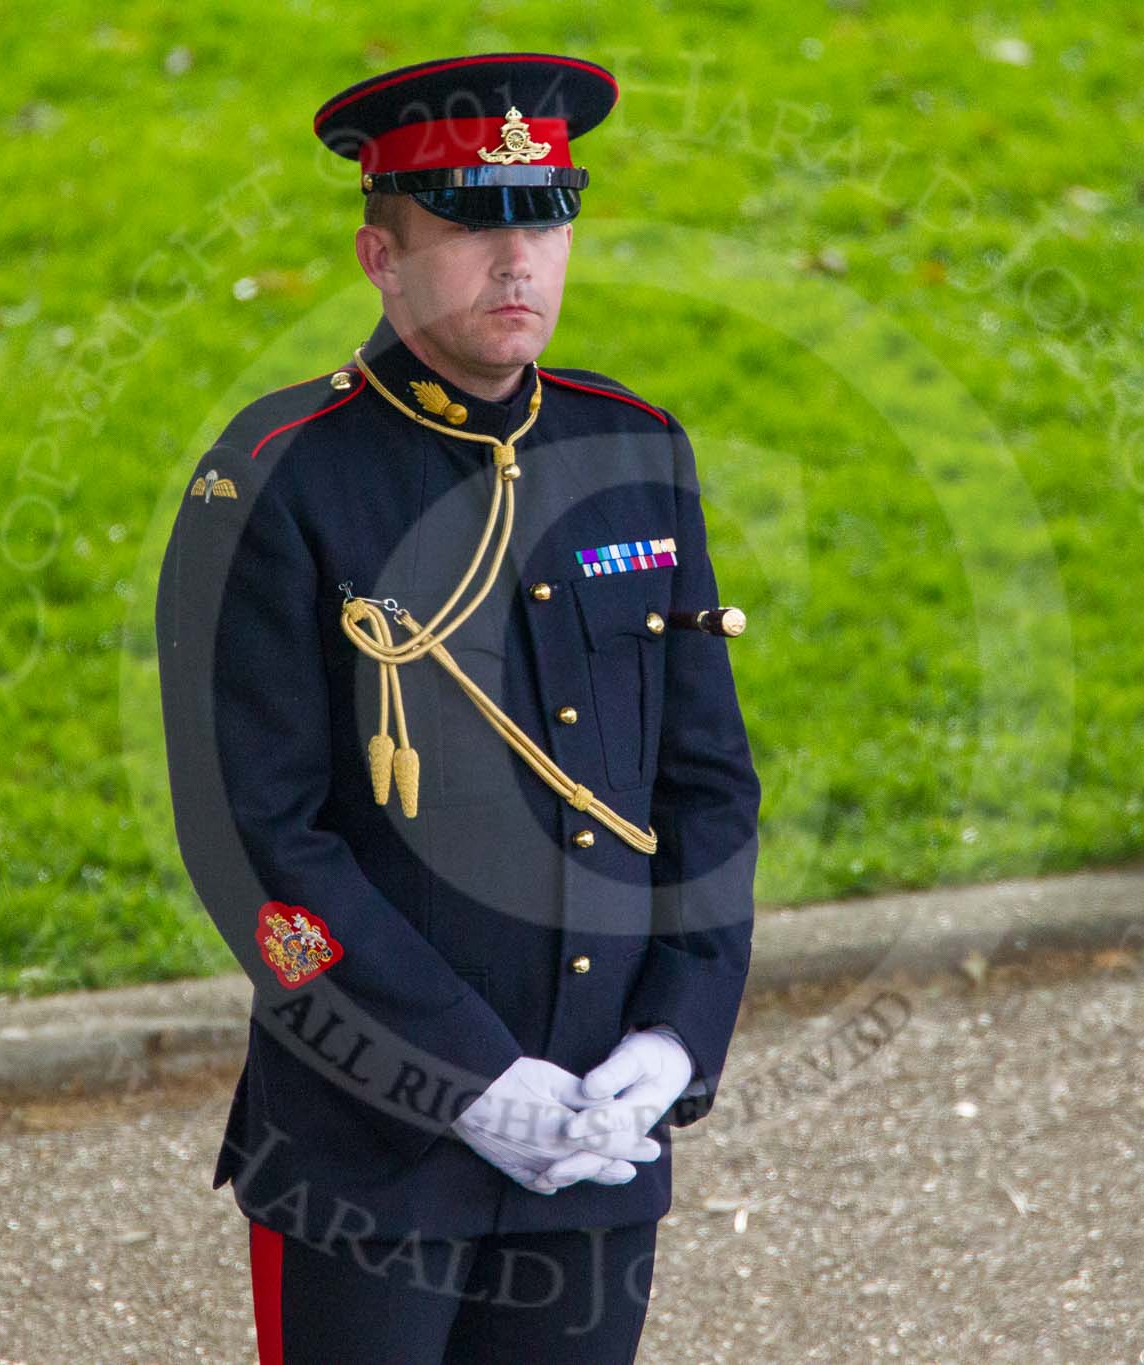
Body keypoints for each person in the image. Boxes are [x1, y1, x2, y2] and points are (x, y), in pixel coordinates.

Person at [153, 51, 760, 1363]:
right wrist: (464, 1077)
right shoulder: (271, 478)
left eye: (542, 219)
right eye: (473, 226)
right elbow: (254, 830)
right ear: (381, 252)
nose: (517, 261)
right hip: (368, 1147)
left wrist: (674, 1034)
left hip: (602, 1119)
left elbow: (705, 783)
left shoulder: (636, 448)